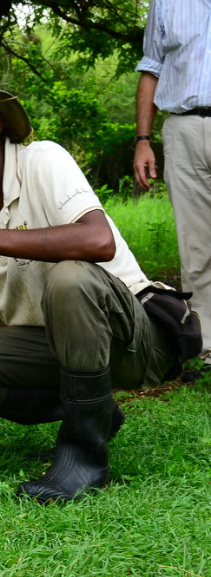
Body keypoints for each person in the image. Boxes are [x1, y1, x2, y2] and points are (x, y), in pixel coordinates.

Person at [0, 66, 181, 503]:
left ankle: (84, 457)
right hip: (56, 343)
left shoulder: (42, 159)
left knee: (70, 276)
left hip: (135, 341)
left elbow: (97, 240)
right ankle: (94, 412)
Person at [134, 0, 211, 381]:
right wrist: (143, 140)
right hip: (183, 129)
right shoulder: (166, 2)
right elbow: (151, 67)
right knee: (195, 248)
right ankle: (206, 348)